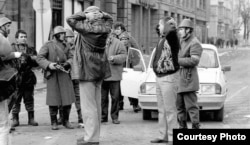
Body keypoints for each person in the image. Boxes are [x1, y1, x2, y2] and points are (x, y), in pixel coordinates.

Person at [67, 6, 113, 145]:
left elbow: (70, 19)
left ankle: (91, 138)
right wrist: (101, 14)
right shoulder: (106, 28)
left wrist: (87, 16)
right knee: (96, 105)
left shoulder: (87, 29)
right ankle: (93, 135)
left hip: (86, 70)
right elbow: (110, 18)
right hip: (99, 70)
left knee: (88, 107)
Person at [36, 26, 75, 130]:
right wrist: (49, 65)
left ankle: (65, 121)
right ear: (56, 35)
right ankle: (53, 122)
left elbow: (72, 57)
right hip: (52, 74)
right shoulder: (48, 45)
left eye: (64, 34)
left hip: (64, 73)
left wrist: (68, 63)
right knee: (53, 99)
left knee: (67, 99)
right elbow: (39, 58)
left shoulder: (66, 45)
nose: (63, 35)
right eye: (61, 34)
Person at [150, 17, 180, 144]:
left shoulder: (172, 37)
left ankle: (173, 136)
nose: (158, 26)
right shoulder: (162, 38)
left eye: (161, 24)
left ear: (167, 26)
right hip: (160, 77)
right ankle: (163, 135)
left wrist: (167, 23)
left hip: (169, 77)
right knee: (161, 109)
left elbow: (172, 30)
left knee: (170, 110)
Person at [177, 19, 203, 129]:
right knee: (179, 107)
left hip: (188, 79)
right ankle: (182, 128)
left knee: (191, 107)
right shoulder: (181, 40)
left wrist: (177, 61)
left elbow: (194, 60)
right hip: (178, 79)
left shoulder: (195, 43)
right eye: (180, 29)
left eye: (182, 29)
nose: (180, 32)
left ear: (188, 30)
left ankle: (195, 127)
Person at [0, 17, 22, 145]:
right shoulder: (1, 39)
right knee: (3, 124)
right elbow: (6, 55)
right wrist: (14, 55)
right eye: (7, 26)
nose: (9, 28)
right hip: (1, 83)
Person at [11, 30, 38, 128]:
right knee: (15, 99)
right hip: (16, 77)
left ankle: (31, 118)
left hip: (28, 77)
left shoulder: (31, 50)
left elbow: (37, 62)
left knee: (29, 98)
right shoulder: (11, 48)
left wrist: (30, 58)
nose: (24, 38)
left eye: (25, 36)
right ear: (16, 38)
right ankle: (15, 119)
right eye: (21, 37)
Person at [113, 22, 141, 112]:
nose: (116, 31)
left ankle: (133, 104)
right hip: (123, 65)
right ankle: (122, 104)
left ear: (122, 29)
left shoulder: (125, 37)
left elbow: (131, 51)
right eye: (115, 29)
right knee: (122, 85)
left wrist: (132, 62)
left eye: (117, 29)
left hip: (126, 65)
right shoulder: (117, 37)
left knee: (127, 84)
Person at [101, 32, 127, 124]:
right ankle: (103, 116)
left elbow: (124, 56)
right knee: (103, 98)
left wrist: (114, 58)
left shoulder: (118, 43)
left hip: (114, 75)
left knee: (115, 98)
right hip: (102, 75)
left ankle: (114, 117)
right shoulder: (100, 42)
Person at [64, 28, 84, 128]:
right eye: (68, 37)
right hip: (66, 77)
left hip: (76, 76)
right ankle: (64, 119)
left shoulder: (78, 47)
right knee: (66, 99)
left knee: (79, 99)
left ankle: (81, 119)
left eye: (72, 37)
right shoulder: (64, 48)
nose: (71, 39)